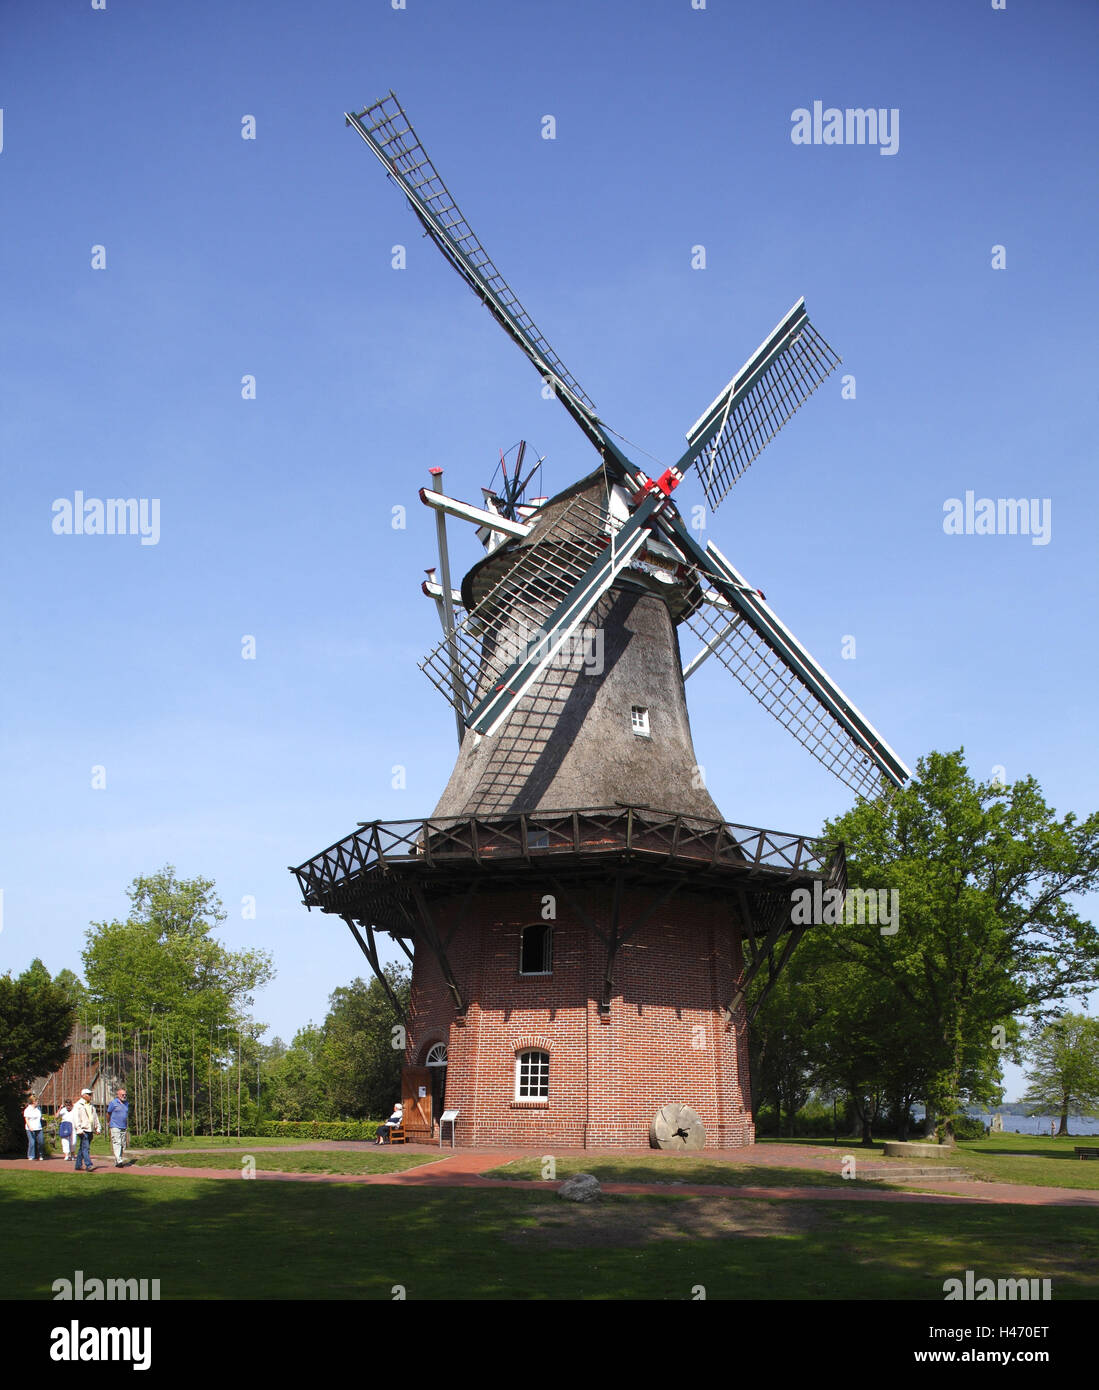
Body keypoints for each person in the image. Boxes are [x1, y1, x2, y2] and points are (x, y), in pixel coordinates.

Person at [72, 1089, 101, 1172]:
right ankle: (89, 1165)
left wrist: (97, 1127)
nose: (90, 1096)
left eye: (91, 1094)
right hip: (83, 1130)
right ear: (83, 1095)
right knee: (86, 1148)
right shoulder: (78, 1105)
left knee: (82, 1148)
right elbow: (76, 1118)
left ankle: (78, 1165)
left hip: (90, 1129)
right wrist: (79, 1129)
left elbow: (95, 1117)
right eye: (89, 1094)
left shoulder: (91, 1105)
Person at [106, 1086, 130, 1167]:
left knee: (123, 1145)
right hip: (114, 1125)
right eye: (122, 1095)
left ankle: (117, 1160)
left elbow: (125, 1114)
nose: (124, 1096)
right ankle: (119, 1161)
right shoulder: (113, 1103)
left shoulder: (126, 1103)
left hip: (123, 1126)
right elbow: (108, 1113)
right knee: (117, 1142)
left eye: (125, 1095)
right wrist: (108, 1122)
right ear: (118, 1095)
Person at [23, 1095, 45, 1160]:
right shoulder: (27, 1109)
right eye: (36, 1101)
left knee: (41, 1142)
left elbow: (39, 1116)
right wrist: (29, 1127)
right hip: (30, 1128)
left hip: (38, 1128)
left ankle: (40, 1155)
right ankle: (31, 1156)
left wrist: (42, 1118)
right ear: (33, 1102)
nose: (37, 1102)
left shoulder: (38, 1109)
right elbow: (26, 1119)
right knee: (32, 1142)